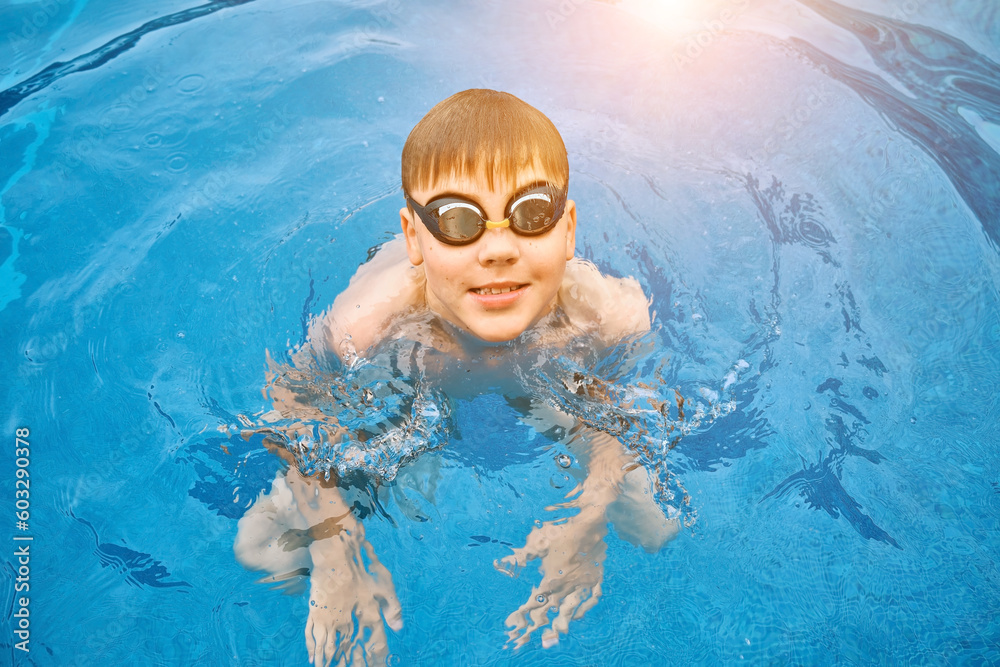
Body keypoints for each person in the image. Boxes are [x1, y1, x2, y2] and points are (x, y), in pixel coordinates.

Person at [234, 89, 679, 667]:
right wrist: (336, 549)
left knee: (652, 523)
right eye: (457, 220)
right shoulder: (368, 323)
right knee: (264, 546)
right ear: (414, 237)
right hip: (414, 374)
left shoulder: (606, 314)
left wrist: (589, 519)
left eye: (532, 213)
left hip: (542, 366)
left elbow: (617, 413)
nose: (497, 249)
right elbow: (294, 410)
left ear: (567, 229)